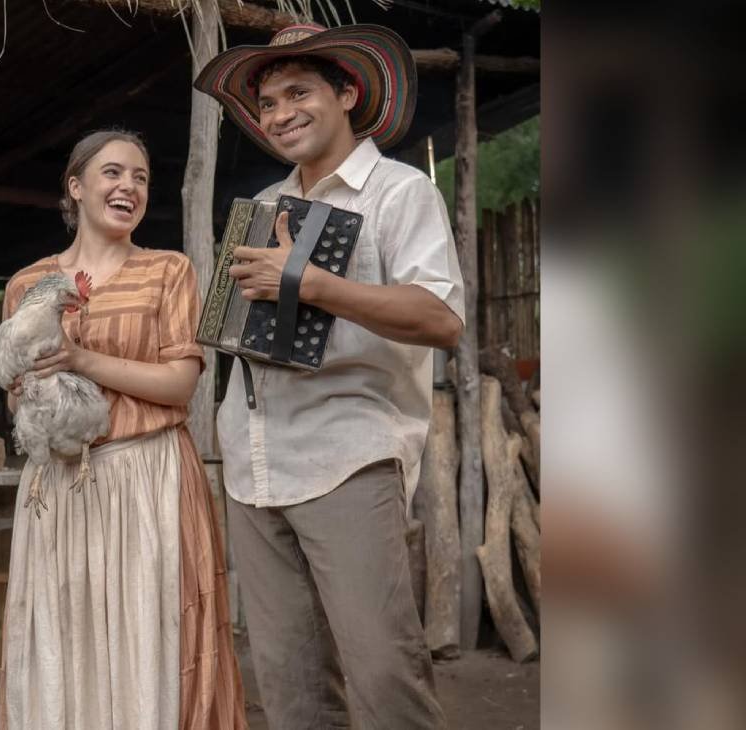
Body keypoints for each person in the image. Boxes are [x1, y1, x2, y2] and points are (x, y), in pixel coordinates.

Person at [193, 23, 465, 730]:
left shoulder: (397, 195)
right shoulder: (263, 210)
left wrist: (312, 283)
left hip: (346, 457)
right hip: (253, 466)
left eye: (298, 92)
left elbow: (441, 319)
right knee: (292, 688)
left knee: (385, 679)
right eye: (268, 104)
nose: (280, 114)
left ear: (347, 92)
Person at [0, 129, 247, 730]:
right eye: (112, 173)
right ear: (76, 187)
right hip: (60, 482)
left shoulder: (168, 270)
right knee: (64, 631)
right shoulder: (25, 285)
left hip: (148, 473)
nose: (128, 186)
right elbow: (15, 399)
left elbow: (181, 384)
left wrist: (82, 362)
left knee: (149, 630)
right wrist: (42, 406)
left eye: (139, 177)